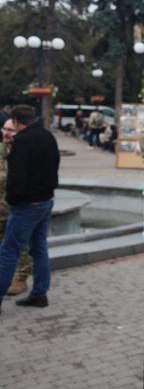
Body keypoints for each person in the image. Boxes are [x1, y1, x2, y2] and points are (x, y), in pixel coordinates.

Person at [0, 105, 60, 314]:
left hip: (27, 205)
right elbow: (55, 164)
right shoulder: (47, 136)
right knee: (39, 248)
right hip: (46, 201)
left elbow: (17, 179)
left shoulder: (22, 142)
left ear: (16, 121)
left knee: (8, 251)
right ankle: (39, 294)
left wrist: (12, 200)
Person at [0, 119, 32, 296]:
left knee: (20, 246)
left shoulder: (24, 153)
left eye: (11, 130)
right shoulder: (0, 151)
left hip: (16, 209)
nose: (6, 133)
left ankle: (20, 278)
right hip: (1, 211)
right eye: (4, 128)